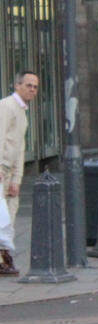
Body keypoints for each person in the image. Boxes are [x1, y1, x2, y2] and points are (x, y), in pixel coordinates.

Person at [0, 71, 37, 276]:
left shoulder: (21, 111)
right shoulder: (6, 107)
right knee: (3, 218)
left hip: (8, 172)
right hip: (1, 171)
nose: (32, 89)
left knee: (9, 216)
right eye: (28, 85)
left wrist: (17, 178)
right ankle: (3, 260)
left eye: (35, 86)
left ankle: (3, 258)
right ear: (17, 85)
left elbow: (20, 147)